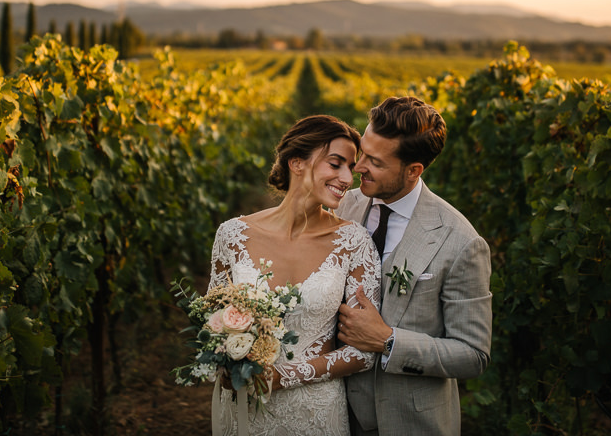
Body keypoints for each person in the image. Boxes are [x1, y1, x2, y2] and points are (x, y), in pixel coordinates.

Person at [209, 115, 381, 436]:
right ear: (297, 163)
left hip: (315, 412)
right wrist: (225, 364)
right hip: (243, 409)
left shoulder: (354, 242)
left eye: (350, 167)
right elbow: (213, 322)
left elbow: (364, 352)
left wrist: (282, 376)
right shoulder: (232, 235)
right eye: (336, 164)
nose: (347, 178)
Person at [336, 96, 493, 435]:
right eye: (362, 151)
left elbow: (473, 353)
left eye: (374, 161)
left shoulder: (461, 241)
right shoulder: (342, 207)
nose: (358, 166)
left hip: (411, 422)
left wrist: (388, 341)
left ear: (413, 171)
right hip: (336, 412)